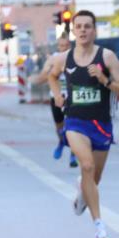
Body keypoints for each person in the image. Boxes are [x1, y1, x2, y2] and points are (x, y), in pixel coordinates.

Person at [64, 9, 119, 238]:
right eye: (78, 26)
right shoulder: (64, 57)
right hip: (74, 123)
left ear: (94, 30)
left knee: (94, 178)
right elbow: (49, 75)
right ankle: (99, 229)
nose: (82, 30)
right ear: (73, 30)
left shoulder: (107, 57)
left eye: (87, 26)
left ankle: (83, 192)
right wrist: (55, 95)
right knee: (87, 165)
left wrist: (105, 81)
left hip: (101, 125)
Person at [31, 32, 78, 166]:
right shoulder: (53, 59)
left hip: (72, 97)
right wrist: (52, 73)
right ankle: (61, 142)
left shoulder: (76, 57)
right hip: (56, 97)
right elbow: (43, 76)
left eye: (66, 45)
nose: (63, 48)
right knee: (60, 127)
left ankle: (73, 155)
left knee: (73, 127)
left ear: (70, 45)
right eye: (61, 45)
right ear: (58, 46)